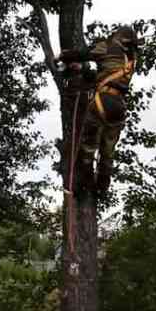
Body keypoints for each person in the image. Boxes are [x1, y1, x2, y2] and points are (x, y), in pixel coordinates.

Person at [57, 25, 143, 195]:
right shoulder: (131, 57)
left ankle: (83, 186)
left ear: (117, 37)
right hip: (119, 107)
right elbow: (105, 76)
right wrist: (83, 70)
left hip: (102, 101)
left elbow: (83, 54)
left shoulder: (108, 47)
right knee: (107, 152)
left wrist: (64, 56)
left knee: (88, 146)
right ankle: (102, 187)